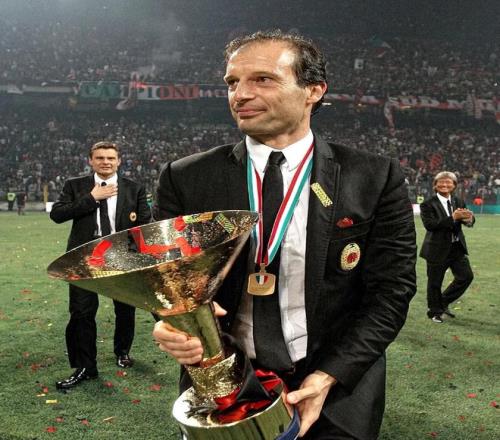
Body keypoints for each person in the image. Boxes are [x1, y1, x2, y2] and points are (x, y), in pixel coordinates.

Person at [152, 30, 416, 439]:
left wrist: (329, 375)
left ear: (313, 90)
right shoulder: (185, 178)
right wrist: (172, 321)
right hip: (226, 378)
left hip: (338, 379)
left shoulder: (373, 177)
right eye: (232, 82)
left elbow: (392, 290)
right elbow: (167, 280)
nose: (241, 94)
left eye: (263, 79)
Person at [50, 141, 151, 389]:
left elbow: (145, 224)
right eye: (100, 158)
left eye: (110, 158)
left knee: (125, 308)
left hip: (121, 257)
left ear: (119, 161)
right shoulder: (75, 185)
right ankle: (86, 367)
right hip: (84, 258)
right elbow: (57, 214)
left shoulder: (134, 188)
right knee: (81, 312)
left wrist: (136, 257)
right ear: (90, 161)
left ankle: (122, 351)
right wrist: (92, 198)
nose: (105, 162)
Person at [419, 171, 474, 323]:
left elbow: (467, 221)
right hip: (436, 249)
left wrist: (469, 219)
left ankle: (442, 302)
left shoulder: (458, 201)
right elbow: (430, 225)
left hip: (456, 248)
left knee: (466, 276)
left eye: (449, 182)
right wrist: (452, 218)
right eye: (441, 182)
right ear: (435, 185)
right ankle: (435, 312)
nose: (445, 184)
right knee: (435, 282)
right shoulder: (427, 204)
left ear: (454, 185)